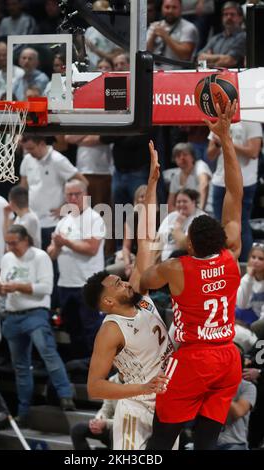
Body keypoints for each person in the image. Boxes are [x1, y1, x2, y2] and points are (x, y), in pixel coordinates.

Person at [140, 101, 243, 450]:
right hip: (228, 357)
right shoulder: (231, 255)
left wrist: (151, 193)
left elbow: (141, 280)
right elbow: (234, 193)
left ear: (192, 243)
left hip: (194, 357)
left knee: (162, 438)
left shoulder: (176, 267)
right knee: (207, 441)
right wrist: (225, 139)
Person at [84, 142, 175, 450]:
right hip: (136, 409)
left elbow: (145, 237)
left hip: (165, 404)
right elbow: (94, 386)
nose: (124, 282)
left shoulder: (139, 293)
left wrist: (151, 184)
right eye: (117, 284)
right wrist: (140, 388)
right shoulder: (111, 329)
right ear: (108, 301)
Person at [0, 225, 75, 426]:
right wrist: (1, 288)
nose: (10, 247)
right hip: (12, 315)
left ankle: (65, 395)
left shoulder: (40, 257)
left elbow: (46, 288)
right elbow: (6, 286)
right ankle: (23, 411)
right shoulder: (7, 259)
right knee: (20, 366)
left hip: (35, 313)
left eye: (14, 243)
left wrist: (17, 286)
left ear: (25, 240)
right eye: (8, 243)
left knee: (48, 352)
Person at [47, 179, 105, 358]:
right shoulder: (63, 221)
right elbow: (51, 254)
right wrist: (57, 246)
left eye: (77, 194)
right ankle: (79, 365)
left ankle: (94, 366)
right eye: (69, 194)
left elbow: (91, 249)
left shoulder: (94, 218)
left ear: (85, 195)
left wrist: (65, 242)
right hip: (66, 283)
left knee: (91, 328)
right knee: (72, 328)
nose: (73, 198)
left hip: (87, 283)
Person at [207, 119, 262, 261]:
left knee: (240, 227)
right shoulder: (218, 120)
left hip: (244, 182)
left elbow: (254, 152)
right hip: (220, 180)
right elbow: (210, 154)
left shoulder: (252, 121)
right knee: (219, 226)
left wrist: (226, 141)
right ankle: (220, 263)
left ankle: (245, 265)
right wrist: (219, 143)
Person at [71, 373, 120, 450]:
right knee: (78, 430)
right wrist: (97, 420)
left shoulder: (137, 383)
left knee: (114, 433)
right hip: (111, 426)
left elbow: (131, 420)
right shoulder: (112, 380)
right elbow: (106, 408)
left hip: (127, 430)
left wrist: (106, 423)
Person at [147, 0, 198, 70]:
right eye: (167, 7)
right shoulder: (154, 26)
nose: (170, 11)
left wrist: (165, 36)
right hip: (153, 71)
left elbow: (185, 57)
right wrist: (152, 37)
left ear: (181, 9)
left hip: (177, 73)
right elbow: (146, 53)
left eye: (174, 7)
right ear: (162, 8)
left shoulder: (189, 28)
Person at [157, 188, 205, 261]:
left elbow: (186, 246)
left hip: (185, 260)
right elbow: (158, 239)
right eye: (178, 202)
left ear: (193, 202)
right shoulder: (171, 216)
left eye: (185, 201)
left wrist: (177, 227)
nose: (181, 204)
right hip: (163, 260)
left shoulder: (201, 218)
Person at [198, 2, 246, 68]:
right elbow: (200, 58)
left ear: (241, 18)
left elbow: (230, 61)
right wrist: (221, 58)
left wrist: (209, 58)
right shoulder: (215, 38)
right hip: (212, 76)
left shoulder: (244, 37)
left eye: (232, 14)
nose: (229, 17)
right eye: (225, 14)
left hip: (233, 76)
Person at [167, 142, 212, 212]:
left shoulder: (200, 165)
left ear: (193, 157)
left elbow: (204, 184)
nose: (182, 158)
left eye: (185, 154)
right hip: (188, 213)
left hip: (207, 210)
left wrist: (199, 210)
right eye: (178, 156)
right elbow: (170, 206)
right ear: (175, 160)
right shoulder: (176, 176)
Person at [236, 243, 264, 334]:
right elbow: (242, 305)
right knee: (231, 312)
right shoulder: (247, 279)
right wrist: (249, 278)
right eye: (253, 257)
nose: (255, 261)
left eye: (261, 259)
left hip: (261, 320)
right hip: (253, 314)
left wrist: (256, 328)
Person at [3, 185, 41, 249]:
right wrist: (6, 215)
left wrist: (6, 216)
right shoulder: (22, 216)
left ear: (11, 203)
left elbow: (8, 240)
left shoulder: (29, 220)